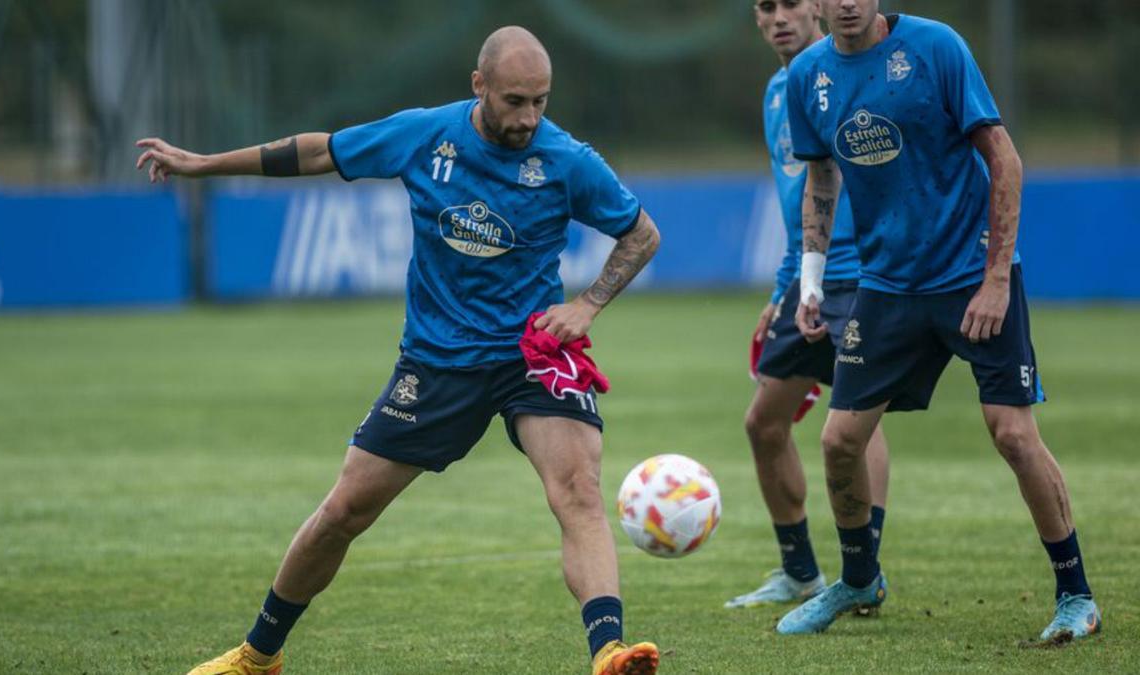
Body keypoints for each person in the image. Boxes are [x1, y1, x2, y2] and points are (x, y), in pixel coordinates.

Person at [136, 26, 662, 675]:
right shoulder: (426, 135)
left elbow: (641, 234)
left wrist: (586, 304)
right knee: (343, 510)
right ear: (479, 86)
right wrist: (202, 164)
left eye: (540, 102)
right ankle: (257, 654)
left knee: (578, 488)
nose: (528, 118)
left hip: (532, 354)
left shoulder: (566, 159)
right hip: (438, 362)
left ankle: (609, 649)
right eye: (515, 101)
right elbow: (320, 152)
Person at [777, 0, 1101, 641]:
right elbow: (820, 175)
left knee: (1011, 433)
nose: (845, 3)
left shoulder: (936, 48)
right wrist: (811, 278)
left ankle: (1076, 596)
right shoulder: (806, 77)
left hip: (969, 278)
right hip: (886, 286)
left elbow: (1002, 158)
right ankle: (859, 579)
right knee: (840, 441)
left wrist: (997, 279)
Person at [725, 0, 891, 612]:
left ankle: (863, 574)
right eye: (765, 7)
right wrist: (783, 288)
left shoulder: (853, 70)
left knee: (854, 420)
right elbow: (801, 199)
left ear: (818, 7)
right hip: (808, 281)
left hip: (870, 275)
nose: (778, 18)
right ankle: (800, 574)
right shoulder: (778, 92)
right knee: (763, 425)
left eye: (791, 3)